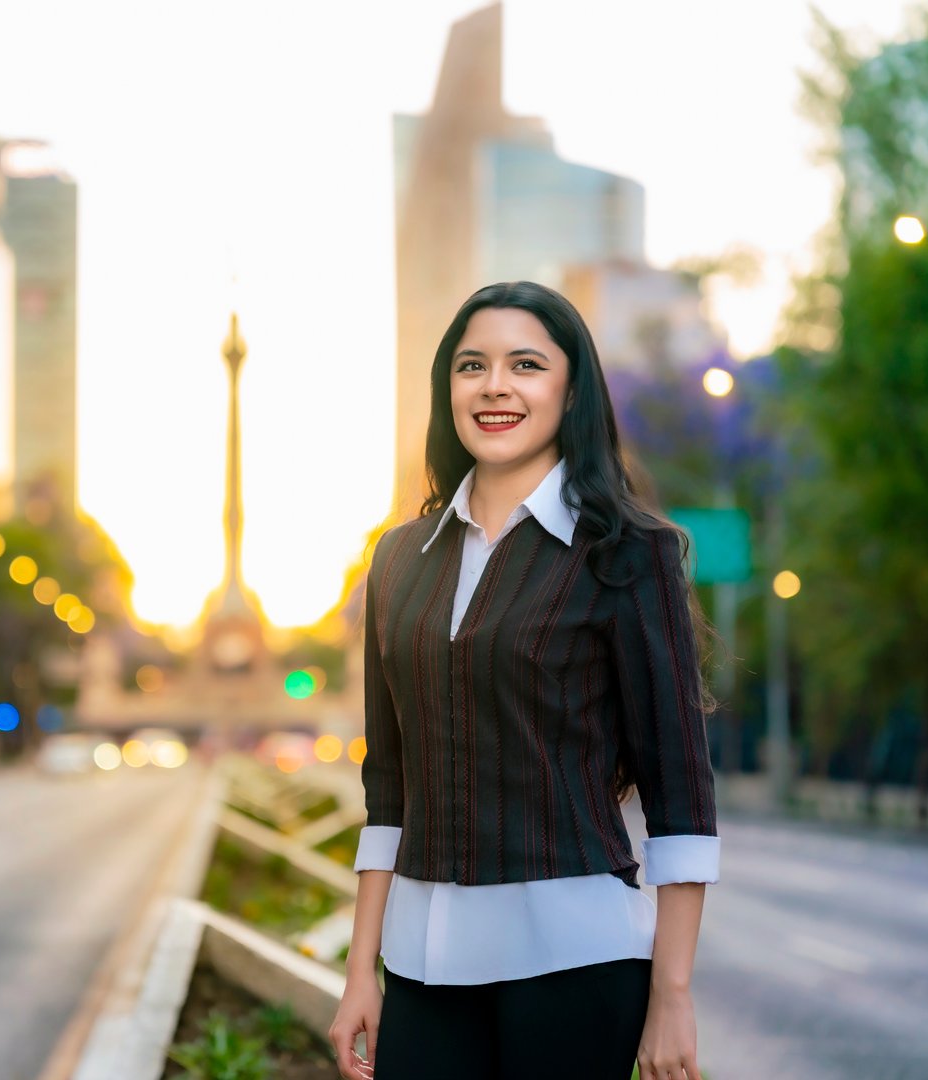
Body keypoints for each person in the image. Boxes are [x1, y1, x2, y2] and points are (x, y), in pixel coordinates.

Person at [327, 281, 723, 1080]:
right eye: (471, 365)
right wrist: (358, 971)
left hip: (575, 961)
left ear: (569, 390)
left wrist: (672, 993)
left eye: (525, 365)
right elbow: (389, 785)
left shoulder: (626, 552)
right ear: (448, 390)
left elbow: (678, 791)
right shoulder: (398, 559)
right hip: (422, 965)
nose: (495, 386)